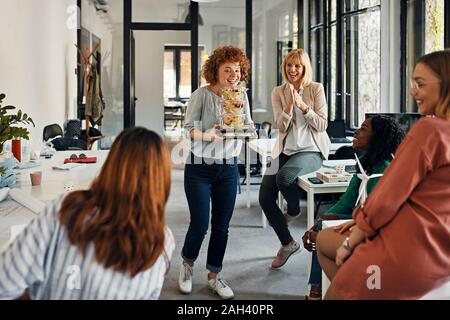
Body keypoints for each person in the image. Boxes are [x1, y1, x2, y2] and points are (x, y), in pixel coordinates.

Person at [317, 49, 450, 300]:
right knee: (326, 239)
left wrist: (353, 238)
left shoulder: (429, 131)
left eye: (420, 84)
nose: (412, 91)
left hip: (402, 256)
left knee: (331, 263)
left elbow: (387, 198)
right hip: (439, 262)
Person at [0, 127, 175, 299]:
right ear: (162, 181)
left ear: (111, 165)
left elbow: (5, 283)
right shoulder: (163, 241)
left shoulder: (68, 209)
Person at [302, 115, 405, 299]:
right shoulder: (366, 164)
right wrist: (320, 222)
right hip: (359, 220)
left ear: (377, 137)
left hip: (377, 236)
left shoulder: (384, 171)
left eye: (364, 129)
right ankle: (316, 291)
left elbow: (376, 222)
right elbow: (348, 202)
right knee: (320, 225)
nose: (356, 131)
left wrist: (325, 230)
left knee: (321, 237)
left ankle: (319, 293)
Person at [178, 46, 253, 299]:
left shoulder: (241, 95)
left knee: (221, 226)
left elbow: (248, 124)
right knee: (200, 224)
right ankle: (187, 265)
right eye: (227, 70)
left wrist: (248, 132)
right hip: (199, 167)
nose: (233, 75)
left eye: (237, 70)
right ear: (215, 71)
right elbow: (187, 129)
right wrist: (207, 134)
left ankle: (214, 275)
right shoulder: (201, 95)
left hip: (228, 167)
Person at [259, 48, 330, 269]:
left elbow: (322, 124)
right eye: (289, 65)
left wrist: (303, 105)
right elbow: (280, 127)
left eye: (297, 65)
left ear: (304, 68)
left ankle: (293, 210)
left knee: (285, 177)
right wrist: (289, 105)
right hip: (285, 151)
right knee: (264, 196)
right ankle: (288, 243)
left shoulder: (316, 89)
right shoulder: (278, 91)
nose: (292, 69)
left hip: (311, 150)